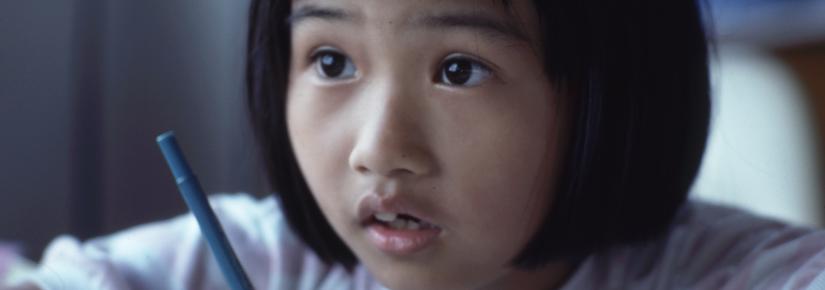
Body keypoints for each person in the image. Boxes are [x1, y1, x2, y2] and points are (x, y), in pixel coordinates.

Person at [9, 0, 825, 289]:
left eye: (459, 69)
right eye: (331, 61)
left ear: (613, 89)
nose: (378, 149)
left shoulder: (730, 276)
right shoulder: (262, 261)